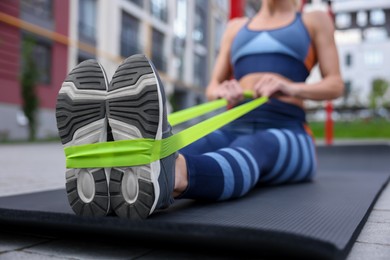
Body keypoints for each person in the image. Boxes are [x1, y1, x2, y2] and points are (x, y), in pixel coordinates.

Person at [56, 0, 343, 219]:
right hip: (235, 119)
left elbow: (335, 84)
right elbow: (213, 86)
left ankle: (174, 178)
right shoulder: (235, 27)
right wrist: (224, 89)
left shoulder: (312, 19)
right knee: (191, 144)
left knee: (253, 146)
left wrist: (291, 87)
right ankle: (114, 176)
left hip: (288, 131)